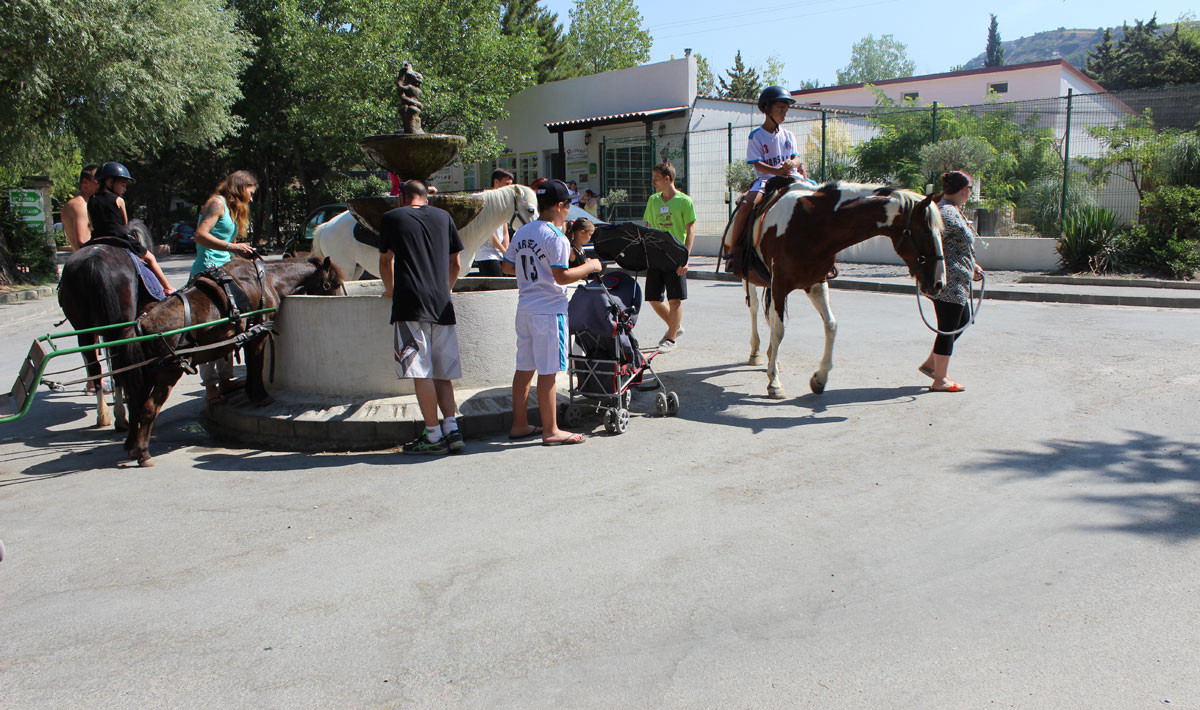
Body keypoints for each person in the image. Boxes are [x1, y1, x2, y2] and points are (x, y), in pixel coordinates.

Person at [503, 179, 602, 446]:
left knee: (524, 369)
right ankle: (551, 430)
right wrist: (591, 266)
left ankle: (520, 424)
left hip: (525, 309)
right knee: (548, 372)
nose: (569, 210)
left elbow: (507, 267)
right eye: (568, 204)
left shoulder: (523, 232)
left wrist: (533, 269)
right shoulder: (556, 237)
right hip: (549, 311)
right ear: (559, 206)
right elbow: (562, 276)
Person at [378, 179, 466, 455]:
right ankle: (453, 430)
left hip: (410, 304)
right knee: (443, 372)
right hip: (442, 304)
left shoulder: (392, 217)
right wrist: (446, 289)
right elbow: (456, 263)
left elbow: (385, 261)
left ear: (402, 198)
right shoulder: (444, 217)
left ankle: (433, 436)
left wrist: (390, 291)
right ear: (426, 197)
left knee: (420, 371)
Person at [191, 170, 262, 405]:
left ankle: (227, 378)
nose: (251, 199)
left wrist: (240, 252)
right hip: (207, 271)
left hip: (225, 271)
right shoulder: (216, 203)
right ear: (240, 188)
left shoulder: (231, 209)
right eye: (250, 193)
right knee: (209, 332)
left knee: (231, 324)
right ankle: (210, 386)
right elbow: (200, 236)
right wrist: (232, 248)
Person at [918, 170, 984, 393]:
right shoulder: (945, 212)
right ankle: (940, 379)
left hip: (958, 279)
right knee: (948, 327)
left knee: (960, 321)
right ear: (964, 190)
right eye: (970, 189)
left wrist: (972, 265)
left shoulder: (952, 210)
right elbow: (934, 245)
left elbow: (956, 246)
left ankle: (932, 364)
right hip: (948, 281)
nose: (970, 193)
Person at [724, 86, 802, 261]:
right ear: (767, 109)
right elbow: (757, 164)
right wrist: (776, 170)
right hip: (766, 181)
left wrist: (792, 163)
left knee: (819, 195)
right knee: (745, 206)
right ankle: (732, 252)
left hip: (791, 178)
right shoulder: (756, 136)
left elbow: (796, 158)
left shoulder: (789, 135)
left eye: (786, 110)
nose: (785, 114)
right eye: (780, 110)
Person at [87, 161, 172, 294]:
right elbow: (124, 222)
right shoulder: (118, 200)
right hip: (118, 236)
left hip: (96, 237)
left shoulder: (91, 200)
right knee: (150, 258)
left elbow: (91, 224)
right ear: (109, 181)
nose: (124, 189)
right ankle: (167, 287)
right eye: (122, 185)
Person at [641, 162, 696, 354]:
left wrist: (685, 258)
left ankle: (671, 338)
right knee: (654, 299)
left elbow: (690, 231)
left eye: (656, 178)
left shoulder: (684, 201)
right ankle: (676, 327)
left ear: (667, 178)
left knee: (675, 299)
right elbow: (648, 226)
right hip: (656, 255)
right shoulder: (653, 200)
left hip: (675, 256)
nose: (652, 181)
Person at [474, 168, 515, 277]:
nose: (509, 188)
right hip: (486, 254)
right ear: (496, 182)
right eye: (506, 184)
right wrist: (504, 251)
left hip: (501, 253)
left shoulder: (504, 201)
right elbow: (488, 232)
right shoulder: (485, 200)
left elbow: (505, 229)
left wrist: (506, 249)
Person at [62, 164, 98, 251]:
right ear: (85, 182)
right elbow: (82, 242)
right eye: (98, 181)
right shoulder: (79, 205)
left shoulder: (88, 203)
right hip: (90, 260)